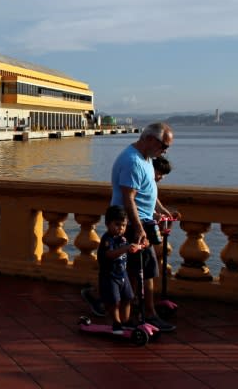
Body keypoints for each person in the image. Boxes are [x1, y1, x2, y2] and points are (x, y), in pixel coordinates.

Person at [82, 153, 173, 318]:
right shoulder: (136, 166)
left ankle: (126, 304)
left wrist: (161, 212)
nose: (160, 178)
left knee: (131, 270)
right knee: (136, 270)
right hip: (137, 225)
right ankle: (142, 311)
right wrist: (142, 224)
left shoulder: (146, 173)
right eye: (160, 174)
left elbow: (151, 198)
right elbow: (133, 200)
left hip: (141, 225)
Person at [111, 122, 176, 332]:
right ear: (149, 139)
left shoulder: (147, 159)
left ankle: (136, 310)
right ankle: (148, 314)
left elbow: (148, 189)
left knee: (138, 270)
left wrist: (159, 210)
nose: (165, 151)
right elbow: (128, 198)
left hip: (142, 221)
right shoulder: (133, 162)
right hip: (133, 224)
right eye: (163, 145)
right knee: (144, 271)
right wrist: (138, 229)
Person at [97, 205, 141, 334]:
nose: (121, 228)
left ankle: (125, 320)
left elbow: (129, 248)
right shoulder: (107, 239)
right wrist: (126, 248)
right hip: (110, 275)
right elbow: (109, 254)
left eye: (123, 225)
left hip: (122, 274)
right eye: (117, 225)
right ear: (107, 224)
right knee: (114, 301)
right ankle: (116, 322)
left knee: (128, 298)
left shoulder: (122, 238)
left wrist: (139, 246)